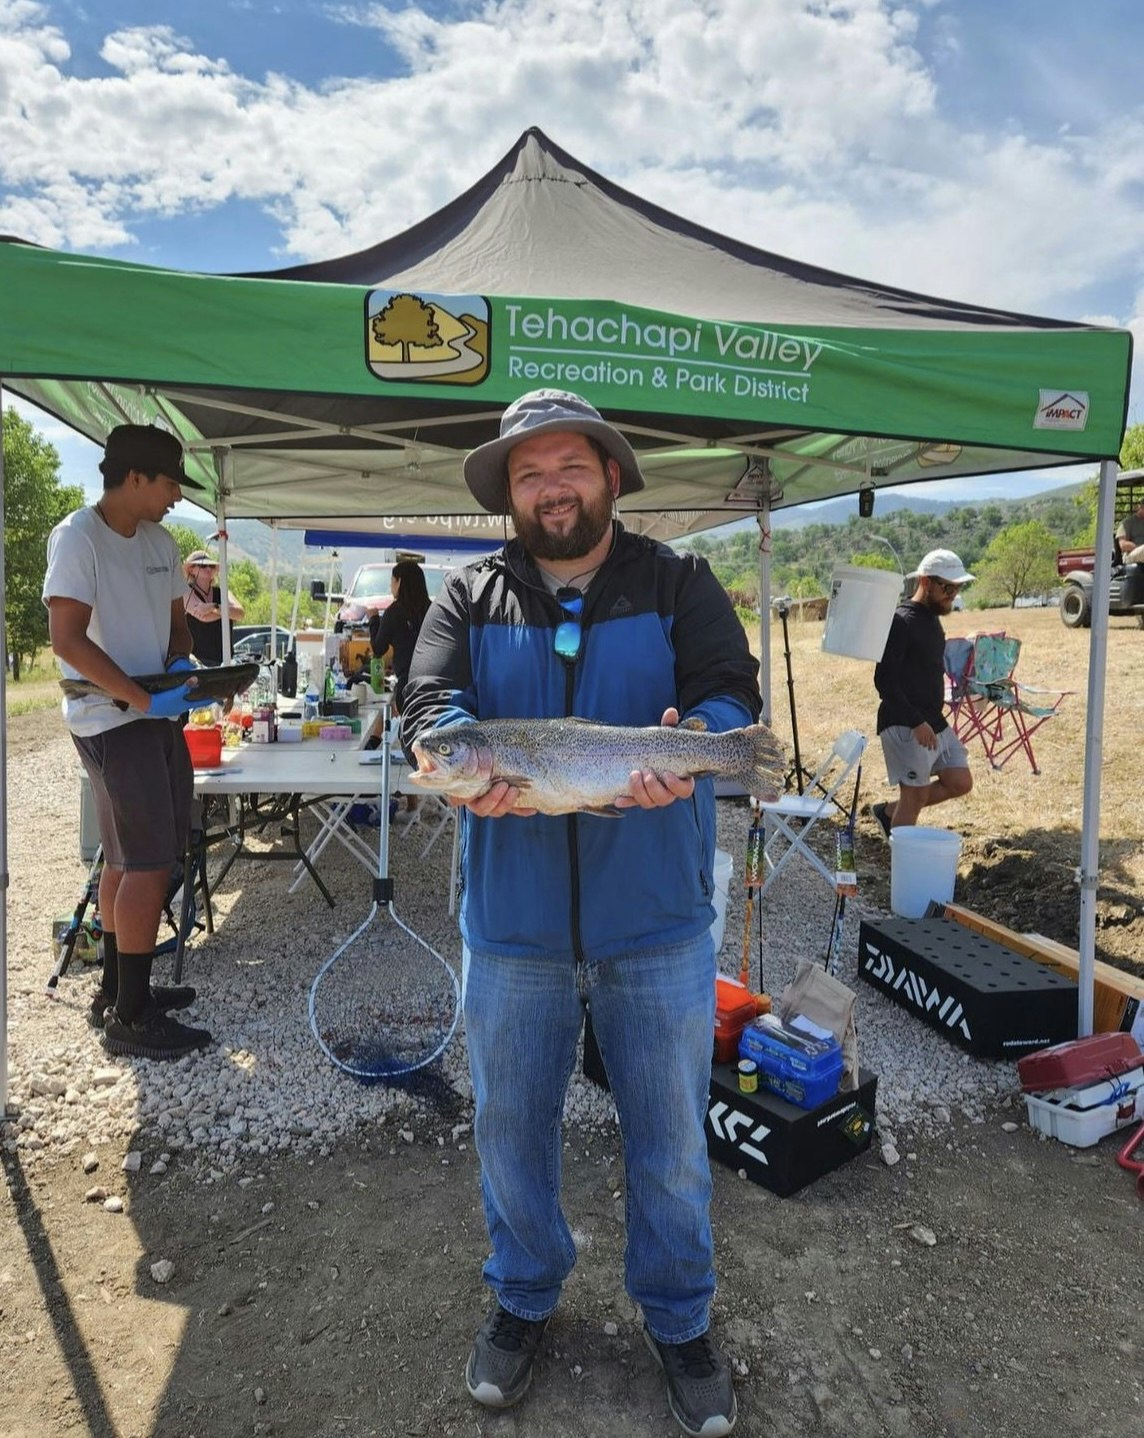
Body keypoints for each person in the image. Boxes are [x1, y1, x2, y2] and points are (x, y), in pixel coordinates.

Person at [401, 389, 759, 1437]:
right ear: (509, 492)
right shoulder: (467, 592)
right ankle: (521, 1299)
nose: (551, 487)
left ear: (609, 474)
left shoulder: (679, 580)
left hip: (655, 919)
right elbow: (427, 709)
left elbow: (729, 693)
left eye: (569, 467)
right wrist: (464, 746)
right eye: (529, 473)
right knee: (511, 1132)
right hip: (509, 930)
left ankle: (681, 1317)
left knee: (670, 1142)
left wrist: (696, 739)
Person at [43, 423, 215, 1060]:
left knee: (128, 858)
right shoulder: (78, 537)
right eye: (171, 482)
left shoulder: (161, 541)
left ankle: (117, 989)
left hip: (156, 716)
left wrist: (183, 669)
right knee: (146, 863)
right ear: (136, 478)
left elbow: (177, 630)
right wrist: (142, 698)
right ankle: (133, 1018)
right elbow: (67, 640)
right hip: (111, 719)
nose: (176, 495)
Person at [872, 548, 974, 836]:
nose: (953, 593)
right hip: (905, 722)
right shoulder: (901, 622)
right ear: (926, 582)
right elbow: (884, 681)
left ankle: (890, 812)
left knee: (959, 781)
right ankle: (903, 868)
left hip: (933, 719)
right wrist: (915, 721)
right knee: (914, 797)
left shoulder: (932, 618)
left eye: (958, 587)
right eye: (947, 587)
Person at [368, 559, 431, 715]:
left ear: (399, 581)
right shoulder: (432, 610)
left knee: (409, 734)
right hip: (433, 685)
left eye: (392, 581)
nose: (391, 586)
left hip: (407, 685)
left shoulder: (394, 612)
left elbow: (378, 648)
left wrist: (374, 620)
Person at [183, 549, 245, 665]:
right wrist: (227, 613)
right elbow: (203, 617)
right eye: (203, 565)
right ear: (191, 569)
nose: (208, 569)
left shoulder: (222, 592)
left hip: (225, 659)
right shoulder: (186, 592)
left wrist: (214, 608)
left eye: (211, 566)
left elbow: (240, 613)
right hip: (197, 661)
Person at [1116, 497, 1144, 564]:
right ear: (1141, 507)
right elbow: (1123, 545)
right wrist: (1137, 547)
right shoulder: (1127, 523)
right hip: (1131, 554)